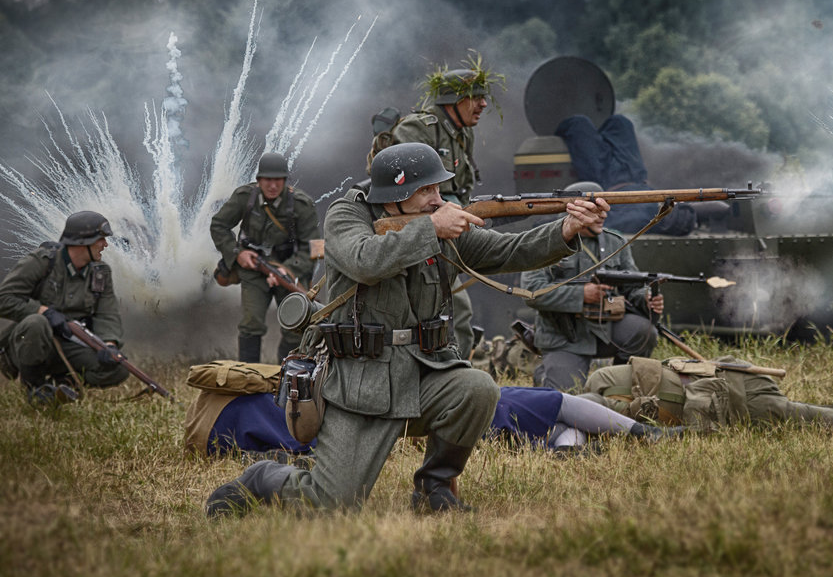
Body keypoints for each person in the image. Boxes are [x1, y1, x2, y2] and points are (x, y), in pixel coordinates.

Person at [206, 142, 609, 517]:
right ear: (396, 195)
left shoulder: (438, 223)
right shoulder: (348, 216)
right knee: (329, 505)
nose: (438, 199)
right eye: (427, 191)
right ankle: (262, 477)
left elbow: (507, 251)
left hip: (424, 373)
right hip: (360, 384)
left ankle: (435, 488)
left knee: (477, 388)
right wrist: (430, 229)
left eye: (438, 189)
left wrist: (566, 230)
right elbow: (365, 260)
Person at [367, 56, 503, 356]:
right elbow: (400, 187)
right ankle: (450, 373)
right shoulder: (420, 129)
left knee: (458, 312)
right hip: (417, 231)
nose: (482, 105)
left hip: (446, 227)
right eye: (475, 98)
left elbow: (460, 186)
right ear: (453, 101)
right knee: (456, 309)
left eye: (483, 98)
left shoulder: (463, 132)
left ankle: (453, 371)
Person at [522, 181, 661, 392]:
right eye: (596, 209)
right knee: (565, 396)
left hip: (604, 328)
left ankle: (619, 388)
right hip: (564, 337)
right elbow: (532, 292)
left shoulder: (616, 242)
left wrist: (646, 298)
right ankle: (545, 374)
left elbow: (631, 287)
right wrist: (581, 295)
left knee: (643, 332)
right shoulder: (547, 241)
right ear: (576, 210)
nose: (604, 215)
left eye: (605, 208)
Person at [580, 356, 833, 429]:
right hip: (735, 382)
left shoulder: (611, 398)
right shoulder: (610, 380)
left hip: (742, 399)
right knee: (829, 416)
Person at [0, 211, 128, 405]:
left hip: (70, 343)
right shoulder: (42, 262)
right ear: (83, 241)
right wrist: (43, 311)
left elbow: (107, 313)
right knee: (36, 323)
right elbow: (4, 298)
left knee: (118, 368)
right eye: (100, 239)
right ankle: (35, 389)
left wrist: (109, 345)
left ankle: (65, 384)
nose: (105, 245)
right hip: (30, 341)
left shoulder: (100, 273)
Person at [209, 152, 320, 362]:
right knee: (251, 324)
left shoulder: (301, 204)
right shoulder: (245, 197)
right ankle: (248, 379)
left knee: (295, 326)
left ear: (285, 181)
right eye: (267, 180)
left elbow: (313, 248)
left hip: (289, 271)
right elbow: (219, 225)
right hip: (254, 269)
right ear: (259, 180)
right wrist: (238, 253)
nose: (272, 186)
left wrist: (288, 270)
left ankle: (287, 377)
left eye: (277, 180)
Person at [555, 114, 702, 236]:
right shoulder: (666, 213)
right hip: (635, 177)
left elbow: (594, 221)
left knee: (578, 124)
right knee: (620, 122)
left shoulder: (642, 217)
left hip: (607, 185)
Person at [489, 386, 680, 451]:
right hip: (487, 407)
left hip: (486, 421)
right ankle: (644, 432)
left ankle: (566, 451)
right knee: (557, 402)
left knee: (568, 423)